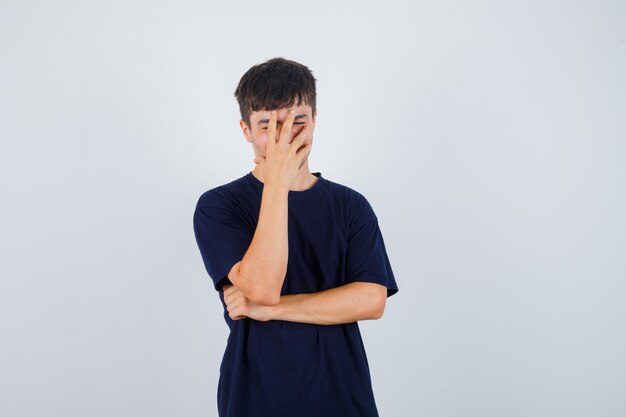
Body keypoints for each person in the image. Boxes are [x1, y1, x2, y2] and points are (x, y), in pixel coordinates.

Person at [192, 57, 399, 417]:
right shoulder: (218, 205)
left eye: (297, 122)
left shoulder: (351, 206)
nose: (284, 138)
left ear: (315, 120)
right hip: (256, 398)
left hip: (342, 396)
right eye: (266, 127)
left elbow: (370, 300)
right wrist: (277, 183)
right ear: (244, 129)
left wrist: (267, 312)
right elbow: (263, 288)